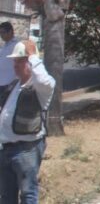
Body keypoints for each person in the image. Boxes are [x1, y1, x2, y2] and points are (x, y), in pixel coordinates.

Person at [0, 40, 55, 203]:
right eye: (14, 61)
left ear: (31, 62)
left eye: (20, 60)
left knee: (28, 194)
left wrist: (32, 56)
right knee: (6, 196)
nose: (15, 65)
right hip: (6, 149)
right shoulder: (15, 85)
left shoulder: (41, 88)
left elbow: (45, 81)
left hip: (26, 149)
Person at [0, 22, 20, 88]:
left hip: (9, 84)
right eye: (0, 33)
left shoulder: (17, 45)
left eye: (3, 32)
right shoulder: (4, 46)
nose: (1, 35)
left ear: (10, 32)